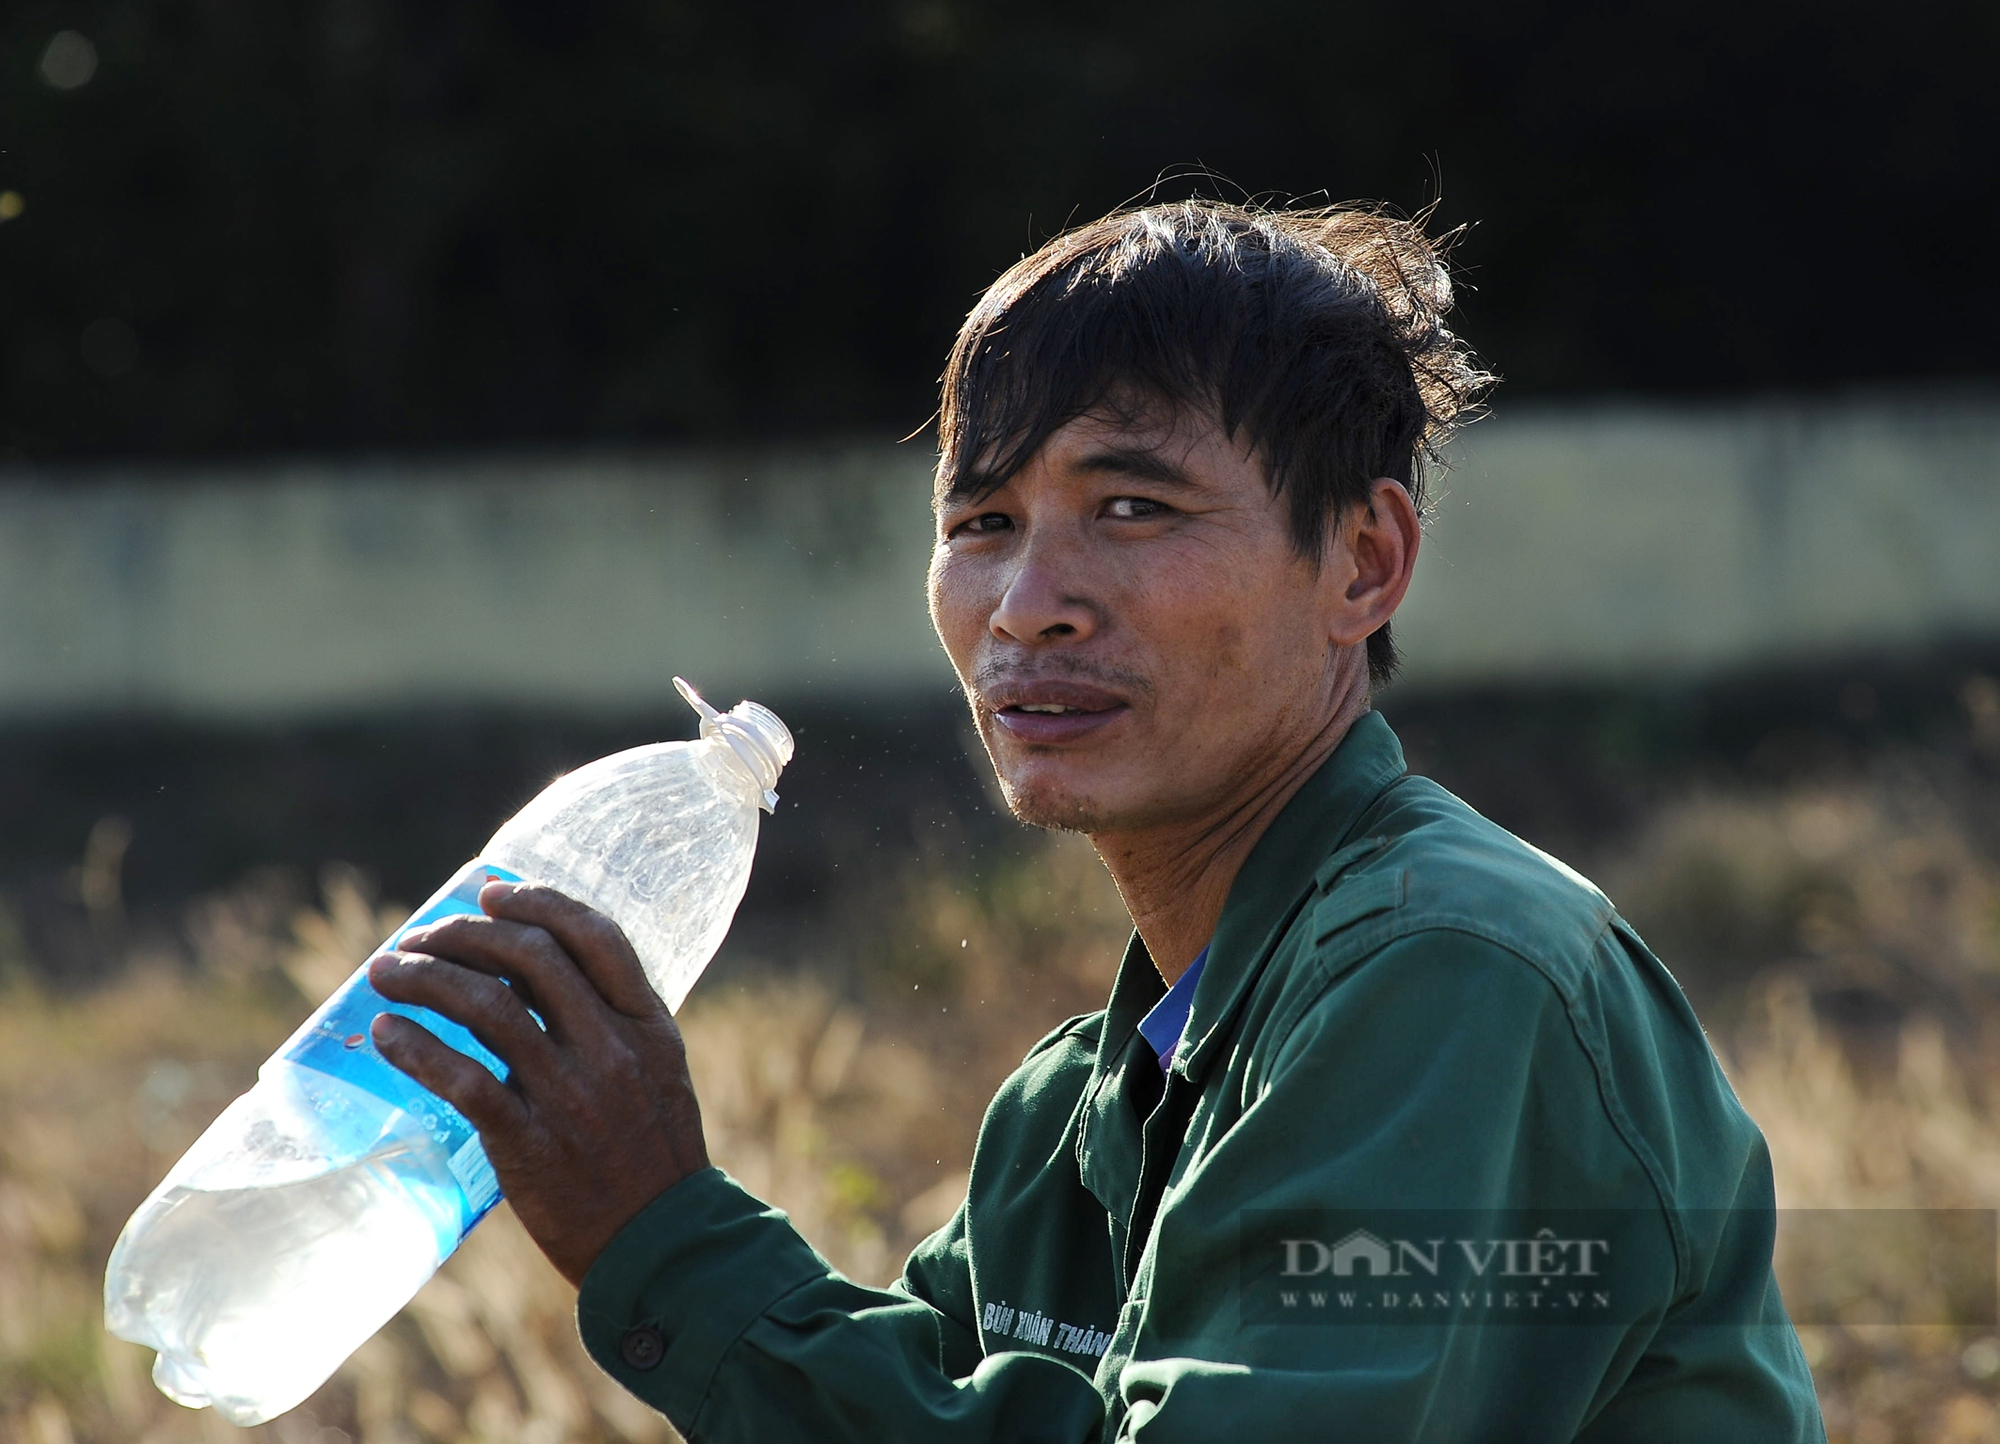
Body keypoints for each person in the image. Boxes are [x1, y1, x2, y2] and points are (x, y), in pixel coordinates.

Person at [368, 199, 1826, 1441]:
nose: (1029, 605)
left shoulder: (1453, 973)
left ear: (1363, 565)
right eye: (980, 525)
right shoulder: (1078, 1109)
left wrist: (665, 1236)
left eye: (1133, 508)